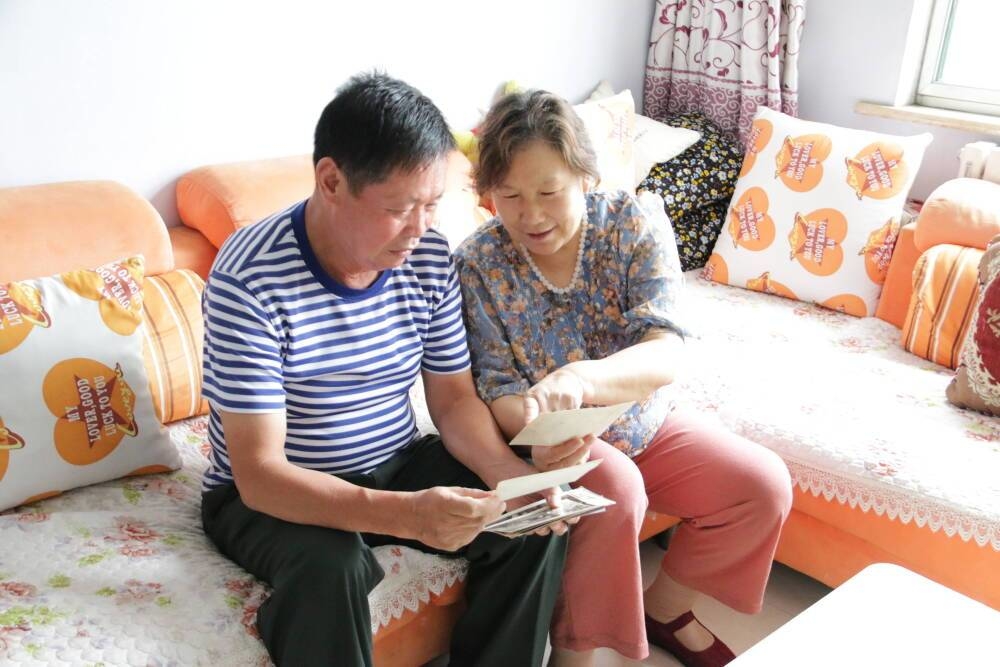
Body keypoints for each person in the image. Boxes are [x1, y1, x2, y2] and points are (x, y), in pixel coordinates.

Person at [199, 73, 568, 667]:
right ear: (331, 181)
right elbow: (259, 474)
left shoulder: (427, 255)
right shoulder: (250, 279)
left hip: (395, 459)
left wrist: (506, 475)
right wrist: (408, 516)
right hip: (271, 492)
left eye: (432, 204)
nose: (419, 227)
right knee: (333, 567)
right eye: (399, 209)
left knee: (527, 524)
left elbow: (453, 401)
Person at [454, 90, 794, 667]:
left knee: (761, 486)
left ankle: (666, 609)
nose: (530, 215)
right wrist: (540, 431)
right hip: (555, 441)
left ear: (584, 177)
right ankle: (576, 656)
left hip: (643, 421)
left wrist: (583, 380)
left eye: (548, 192)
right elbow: (497, 391)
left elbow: (665, 352)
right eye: (509, 196)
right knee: (615, 491)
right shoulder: (478, 264)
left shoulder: (633, 223)